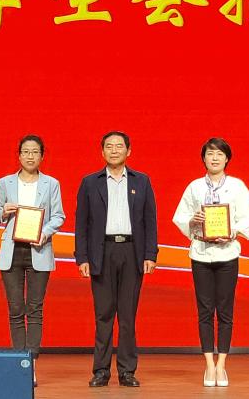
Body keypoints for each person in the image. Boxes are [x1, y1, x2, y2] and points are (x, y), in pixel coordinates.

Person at [172, 137, 249, 387]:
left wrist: (233, 232)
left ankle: (222, 365)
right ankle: (209, 365)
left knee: (225, 311)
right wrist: (193, 220)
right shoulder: (194, 187)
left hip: (227, 254)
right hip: (201, 254)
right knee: (205, 311)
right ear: (203, 158)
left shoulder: (237, 187)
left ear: (227, 158)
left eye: (220, 154)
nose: (215, 158)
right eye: (210, 154)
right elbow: (181, 218)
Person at [75, 131, 158, 387]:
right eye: (109, 147)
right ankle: (101, 371)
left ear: (128, 151)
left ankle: (127, 371)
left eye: (119, 146)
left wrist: (150, 254)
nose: (114, 150)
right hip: (102, 252)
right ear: (102, 152)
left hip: (132, 252)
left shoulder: (142, 181)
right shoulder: (90, 182)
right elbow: (81, 223)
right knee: (103, 315)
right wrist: (82, 257)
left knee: (128, 315)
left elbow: (150, 221)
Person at [0, 134, 66, 386]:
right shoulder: (5, 182)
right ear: (19, 155)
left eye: (35, 152)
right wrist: (3, 211)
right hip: (12, 251)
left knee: (35, 309)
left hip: (38, 249)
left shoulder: (51, 184)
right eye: (26, 151)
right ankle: (18, 361)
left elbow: (59, 216)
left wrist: (44, 233)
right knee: (15, 309)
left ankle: (30, 364)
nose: (30, 156)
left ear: (42, 156)